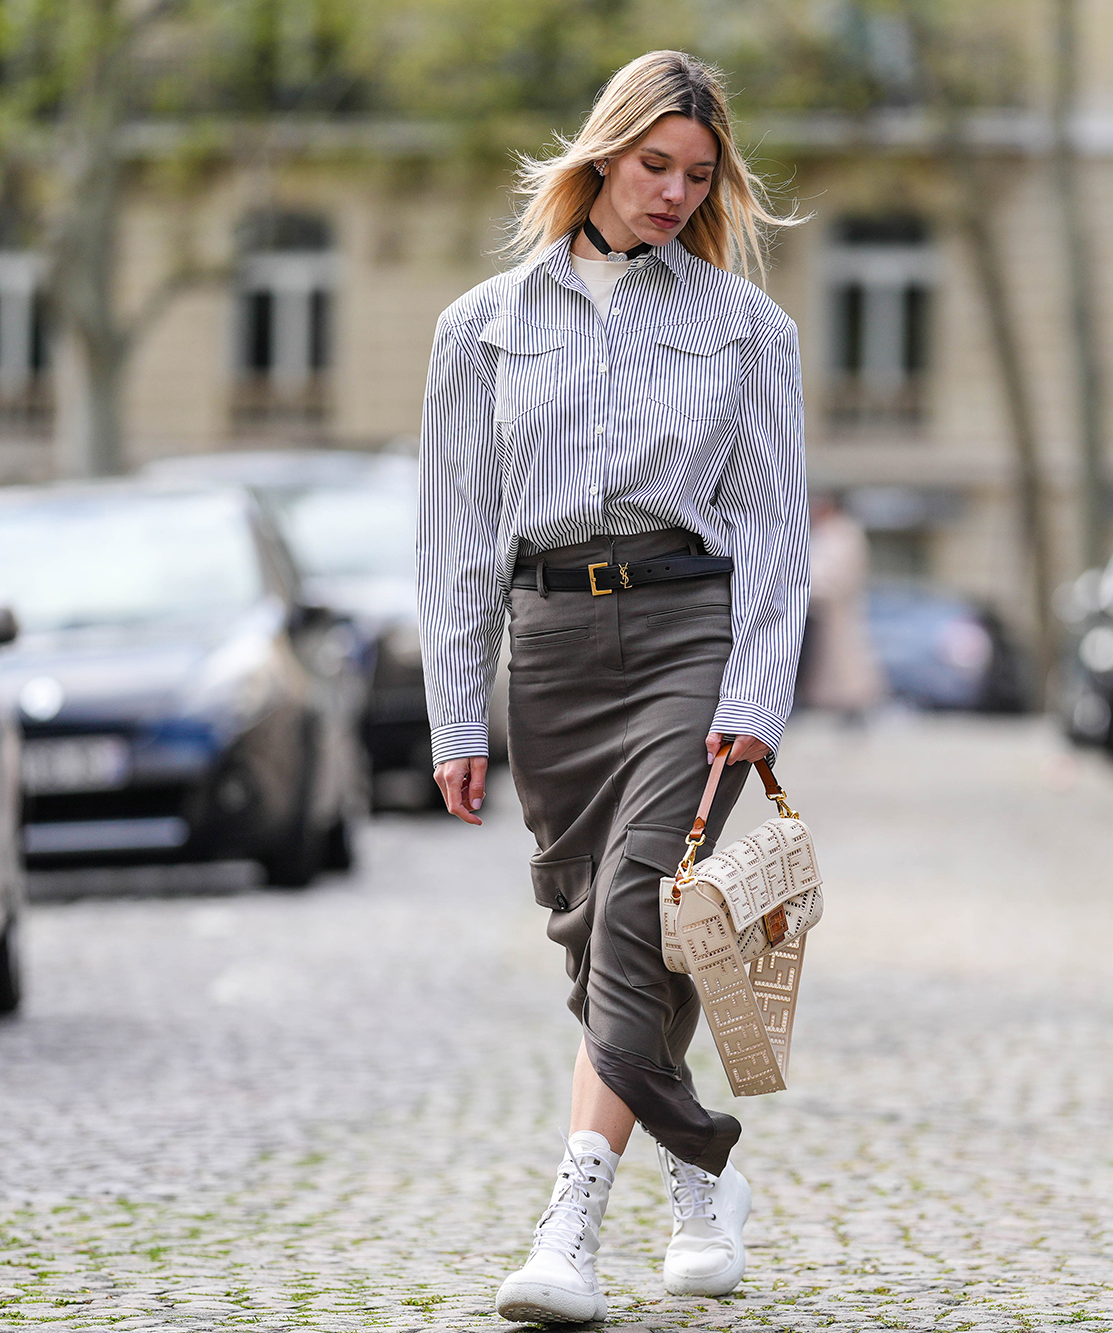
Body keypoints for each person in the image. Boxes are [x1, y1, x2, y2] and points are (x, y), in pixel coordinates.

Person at [415, 50, 809, 1325]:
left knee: (643, 906)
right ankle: (700, 1174)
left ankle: (571, 1219)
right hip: (551, 648)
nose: (674, 197)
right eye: (654, 168)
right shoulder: (478, 328)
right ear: (600, 154)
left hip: (689, 635)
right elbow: (454, 538)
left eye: (698, 179)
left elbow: (776, 528)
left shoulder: (748, 330)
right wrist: (455, 711)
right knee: (602, 937)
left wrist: (757, 689)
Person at [801, 493, 885, 723]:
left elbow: (834, 573)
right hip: (824, 610)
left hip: (836, 609)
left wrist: (812, 587)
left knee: (845, 663)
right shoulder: (827, 532)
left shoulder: (842, 533)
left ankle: (853, 706)